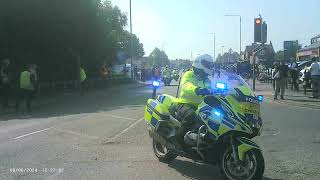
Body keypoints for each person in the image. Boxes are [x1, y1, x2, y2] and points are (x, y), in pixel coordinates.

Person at [172, 54, 213, 147]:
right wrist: (196, 89)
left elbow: (212, 87)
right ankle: (179, 141)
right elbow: (186, 85)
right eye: (207, 64)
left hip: (201, 106)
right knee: (191, 116)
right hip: (185, 104)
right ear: (199, 64)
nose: (209, 67)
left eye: (210, 65)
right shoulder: (188, 74)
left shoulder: (206, 79)